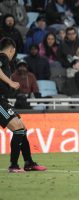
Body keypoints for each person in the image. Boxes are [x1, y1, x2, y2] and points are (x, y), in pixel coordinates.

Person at [0, 37, 46, 172]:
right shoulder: (2, 57)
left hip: (3, 100)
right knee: (18, 129)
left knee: (22, 129)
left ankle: (29, 162)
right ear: (11, 50)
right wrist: (10, 82)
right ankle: (14, 165)